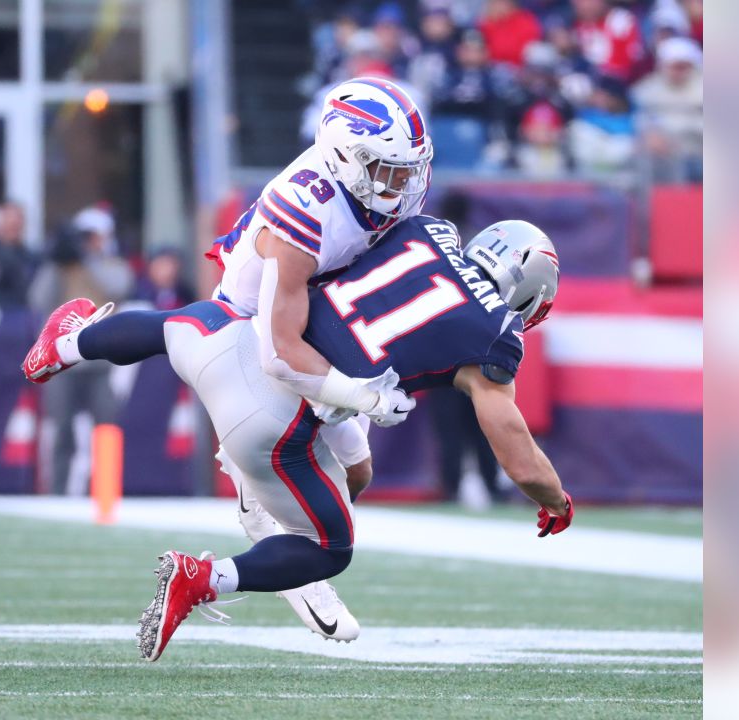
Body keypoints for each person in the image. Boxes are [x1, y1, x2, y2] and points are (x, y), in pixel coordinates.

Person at [25, 77, 434, 639]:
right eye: (389, 169)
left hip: (317, 319)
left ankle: (290, 539)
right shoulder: (308, 212)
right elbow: (281, 354)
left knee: (357, 470)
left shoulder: (374, 190)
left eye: (409, 168)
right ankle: (285, 535)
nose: (404, 183)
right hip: (252, 324)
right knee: (188, 335)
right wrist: (363, 395)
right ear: (346, 157)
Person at [122, 215, 574, 661]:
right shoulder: (497, 332)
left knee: (357, 471)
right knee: (331, 546)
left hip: (271, 333)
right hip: (308, 393)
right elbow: (518, 457)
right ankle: (223, 564)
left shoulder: (428, 229)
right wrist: (556, 500)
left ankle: (70, 341)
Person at [27, 204, 135, 495]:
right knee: (60, 429)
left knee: (106, 428)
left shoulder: (111, 265)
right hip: (62, 361)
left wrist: (85, 257)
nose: (87, 241)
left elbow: (118, 287)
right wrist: (55, 261)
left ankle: (104, 490)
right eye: (83, 236)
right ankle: (57, 493)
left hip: (101, 360)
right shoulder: (62, 266)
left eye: (92, 235)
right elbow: (38, 298)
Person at [632, 36, 703, 184]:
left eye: (683, 66)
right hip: (662, 154)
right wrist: (650, 135)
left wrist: (677, 134)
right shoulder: (648, 89)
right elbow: (642, 119)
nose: (678, 72)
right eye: (674, 66)